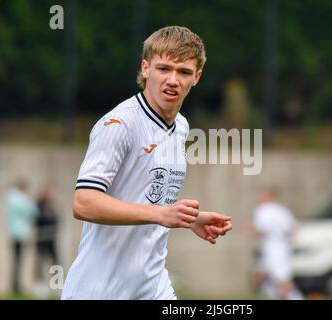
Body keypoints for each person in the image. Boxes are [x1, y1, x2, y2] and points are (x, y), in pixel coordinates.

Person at [62, 26, 233, 300]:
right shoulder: (119, 124)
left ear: (197, 77)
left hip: (152, 286)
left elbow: (147, 195)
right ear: (145, 68)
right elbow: (84, 202)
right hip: (99, 289)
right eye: (164, 68)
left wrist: (188, 219)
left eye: (184, 72)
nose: (173, 80)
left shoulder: (181, 127)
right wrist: (161, 215)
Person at [251, 186, 303, 300]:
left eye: (264, 195)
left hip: (272, 249)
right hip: (282, 248)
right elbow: (293, 229)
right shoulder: (283, 211)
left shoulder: (263, 210)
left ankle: (295, 297)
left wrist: (251, 230)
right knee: (261, 276)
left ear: (271, 196)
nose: (261, 197)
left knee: (282, 280)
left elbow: (261, 230)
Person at [5, 178, 39, 295]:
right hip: (20, 234)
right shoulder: (21, 199)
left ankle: (15, 285)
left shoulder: (10, 197)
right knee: (19, 261)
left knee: (17, 261)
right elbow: (33, 212)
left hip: (13, 233)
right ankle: (16, 286)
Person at [34, 185, 59, 298]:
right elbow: (38, 221)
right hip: (42, 240)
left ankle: (57, 287)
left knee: (55, 264)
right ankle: (40, 288)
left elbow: (57, 220)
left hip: (52, 240)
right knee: (40, 264)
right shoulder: (38, 206)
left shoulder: (52, 207)